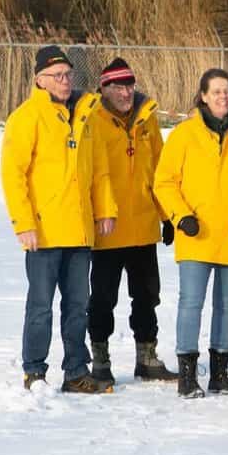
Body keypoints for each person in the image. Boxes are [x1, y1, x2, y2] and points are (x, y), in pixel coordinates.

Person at [152, 68, 228, 398]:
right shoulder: (183, 135)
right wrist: (180, 216)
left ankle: (220, 373)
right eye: (217, 91)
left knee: (227, 304)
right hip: (197, 234)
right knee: (191, 303)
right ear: (203, 96)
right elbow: (164, 182)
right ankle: (188, 375)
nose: (224, 97)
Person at [0, 45, 117, 393]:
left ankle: (76, 371)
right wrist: (24, 223)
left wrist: (105, 209)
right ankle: (34, 371)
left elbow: (99, 171)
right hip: (44, 232)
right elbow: (13, 174)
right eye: (58, 76)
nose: (66, 81)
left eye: (68, 74)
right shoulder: (26, 117)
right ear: (40, 80)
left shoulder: (86, 115)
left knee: (78, 307)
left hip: (79, 231)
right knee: (41, 306)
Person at [87, 58, 179, 385]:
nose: (126, 93)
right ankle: (100, 359)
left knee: (146, 297)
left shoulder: (147, 120)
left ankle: (147, 357)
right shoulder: (92, 120)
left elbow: (161, 171)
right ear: (104, 88)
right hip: (107, 229)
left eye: (129, 86)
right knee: (102, 299)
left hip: (142, 226)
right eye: (118, 87)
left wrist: (167, 215)